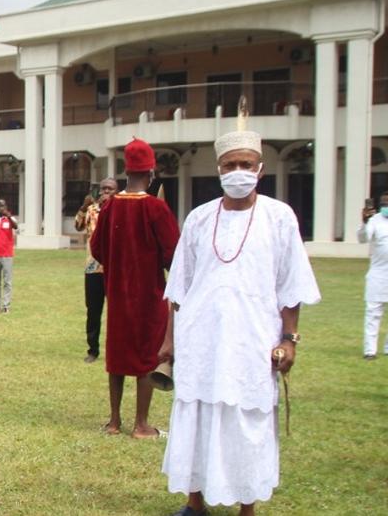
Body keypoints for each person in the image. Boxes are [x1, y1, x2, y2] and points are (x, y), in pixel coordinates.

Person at [160, 127, 319, 515]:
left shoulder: (279, 218)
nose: (237, 171)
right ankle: (194, 503)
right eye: (230, 165)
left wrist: (290, 338)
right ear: (218, 169)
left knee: (248, 422)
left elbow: (291, 285)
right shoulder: (199, 219)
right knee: (196, 416)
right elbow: (179, 287)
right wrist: (169, 342)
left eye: (245, 164)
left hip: (253, 340)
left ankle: (247, 507)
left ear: (259, 169)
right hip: (201, 339)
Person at [90, 138, 179, 438]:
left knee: (117, 353)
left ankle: (114, 421)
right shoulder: (156, 208)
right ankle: (141, 424)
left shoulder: (111, 207)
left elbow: (97, 248)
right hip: (150, 294)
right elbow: (173, 255)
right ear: (151, 173)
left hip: (116, 293)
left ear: (125, 172)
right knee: (146, 355)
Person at [75, 178, 117, 363]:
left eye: (110, 189)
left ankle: (116, 350)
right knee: (93, 311)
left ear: (117, 191)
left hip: (116, 268)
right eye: (103, 189)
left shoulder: (121, 210)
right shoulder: (92, 210)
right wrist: (84, 208)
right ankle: (93, 350)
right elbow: (78, 226)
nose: (106, 191)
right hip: (93, 268)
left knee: (116, 312)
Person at [358, 193, 388, 359]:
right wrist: (364, 223)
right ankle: (370, 350)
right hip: (378, 275)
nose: (386, 206)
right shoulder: (374, 220)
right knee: (373, 313)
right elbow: (363, 239)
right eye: (383, 203)